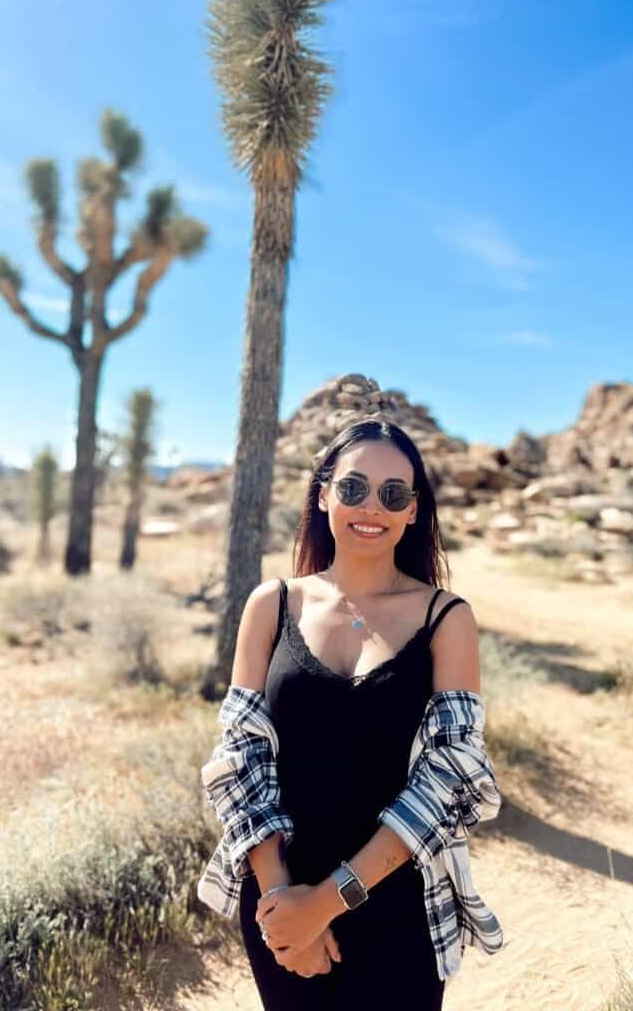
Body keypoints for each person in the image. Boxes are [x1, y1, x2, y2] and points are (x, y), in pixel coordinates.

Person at [198, 417, 503, 1010]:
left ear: (413, 510)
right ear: (323, 493)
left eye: (394, 494)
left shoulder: (447, 619)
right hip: (278, 899)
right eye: (354, 487)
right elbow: (240, 761)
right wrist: (287, 906)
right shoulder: (272, 605)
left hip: (397, 902)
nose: (373, 507)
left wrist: (326, 903)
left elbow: (449, 779)